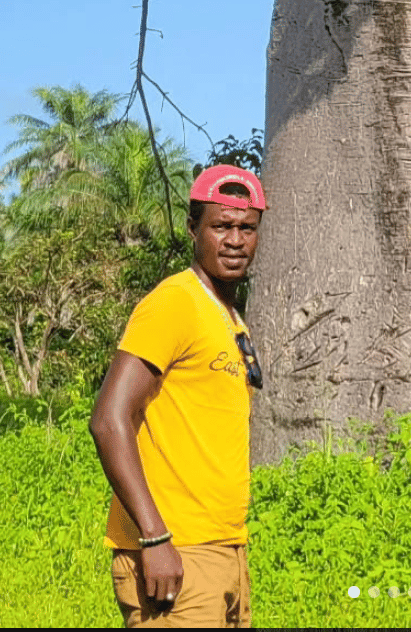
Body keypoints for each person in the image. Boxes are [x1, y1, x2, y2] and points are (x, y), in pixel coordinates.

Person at [89, 164, 266, 628]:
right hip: (176, 551)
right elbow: (109, 420)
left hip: (223, 550)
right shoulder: (174, 303)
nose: (234, 240)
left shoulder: (227, 315)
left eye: (246, 228)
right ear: (193, 229)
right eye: (221, 226)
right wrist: (154, 537)